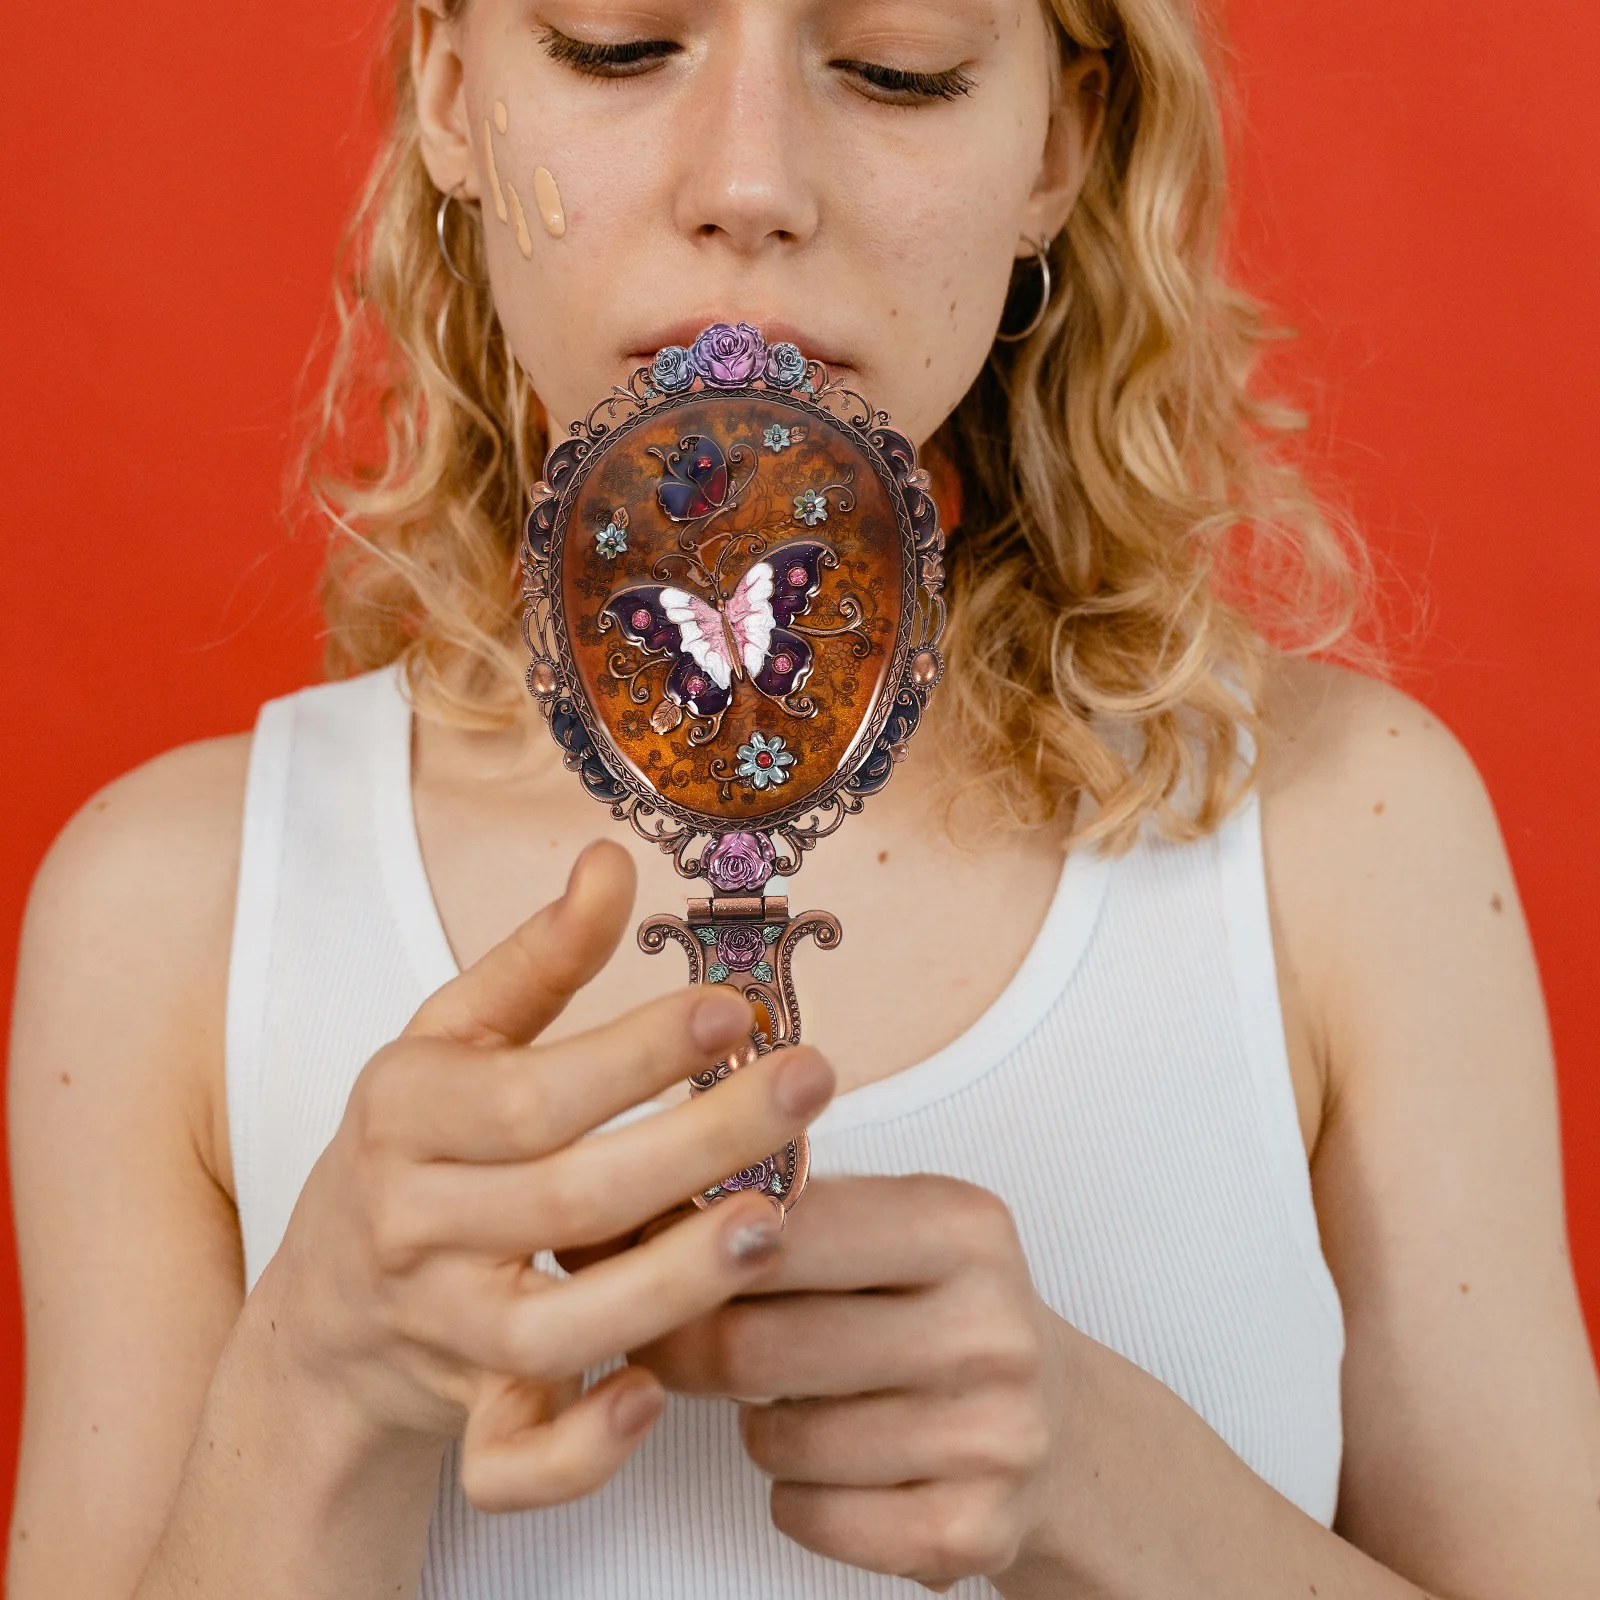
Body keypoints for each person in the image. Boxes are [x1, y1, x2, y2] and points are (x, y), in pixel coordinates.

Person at [8, 0, 1599, 1595]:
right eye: (618, 44)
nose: (750, 181)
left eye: (899, 64)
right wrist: (311, 1391)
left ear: (1058, 144)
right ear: (448, 93)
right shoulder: (173, 913)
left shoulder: (1340, 837)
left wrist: (1115, 1479)